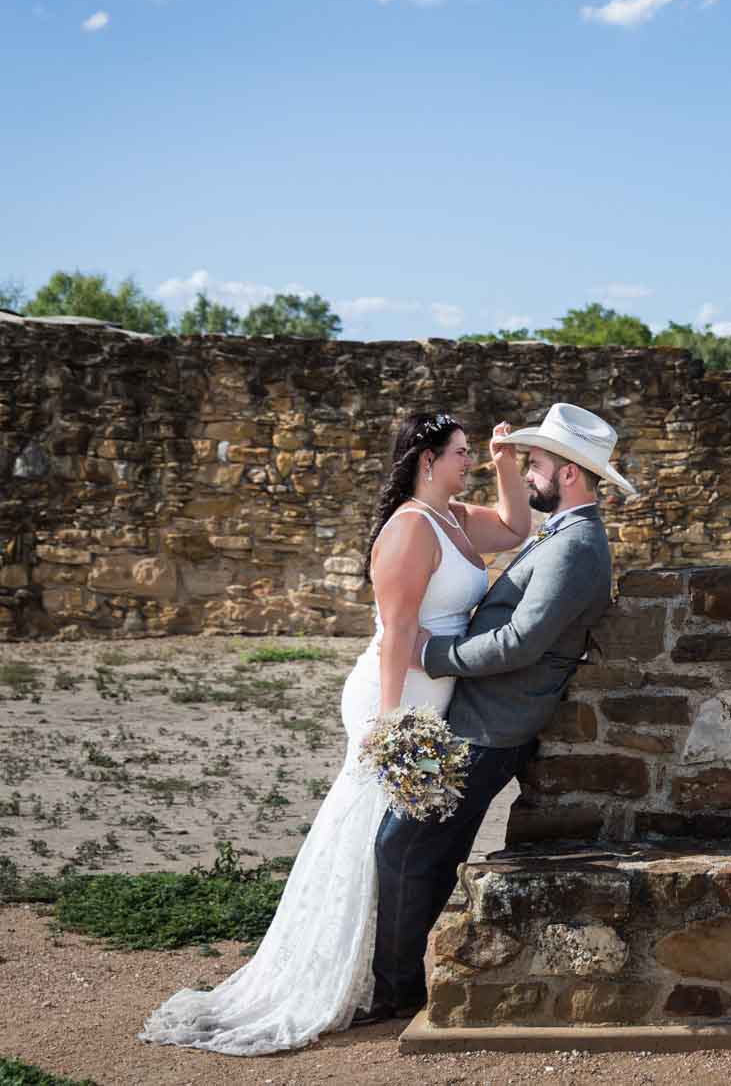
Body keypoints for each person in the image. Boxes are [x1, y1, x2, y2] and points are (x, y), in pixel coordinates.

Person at [141, 411, 530, 1056]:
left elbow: (517, 527)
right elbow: (397, 632)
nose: (469, 463)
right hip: (398, 695)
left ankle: (384, 967)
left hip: (434, 693)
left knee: (398, 832)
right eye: (462, 453)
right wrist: (389, 726)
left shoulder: (457, 521)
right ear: (426, 460)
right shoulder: (409, 529)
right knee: (370, 825)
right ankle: (353, 973)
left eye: (471, 454)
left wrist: (504, 461)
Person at [362, 402, 628, 1025]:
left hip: (492, 726)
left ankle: (396, 989)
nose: (527, 473)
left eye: (534, 464)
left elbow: (521, 643)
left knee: (402, 846)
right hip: (481, 717)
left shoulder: (577, 545)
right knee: (425, 848)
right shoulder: (562, 533)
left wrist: (432, 652)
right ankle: (400, 983)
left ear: (568, 474)